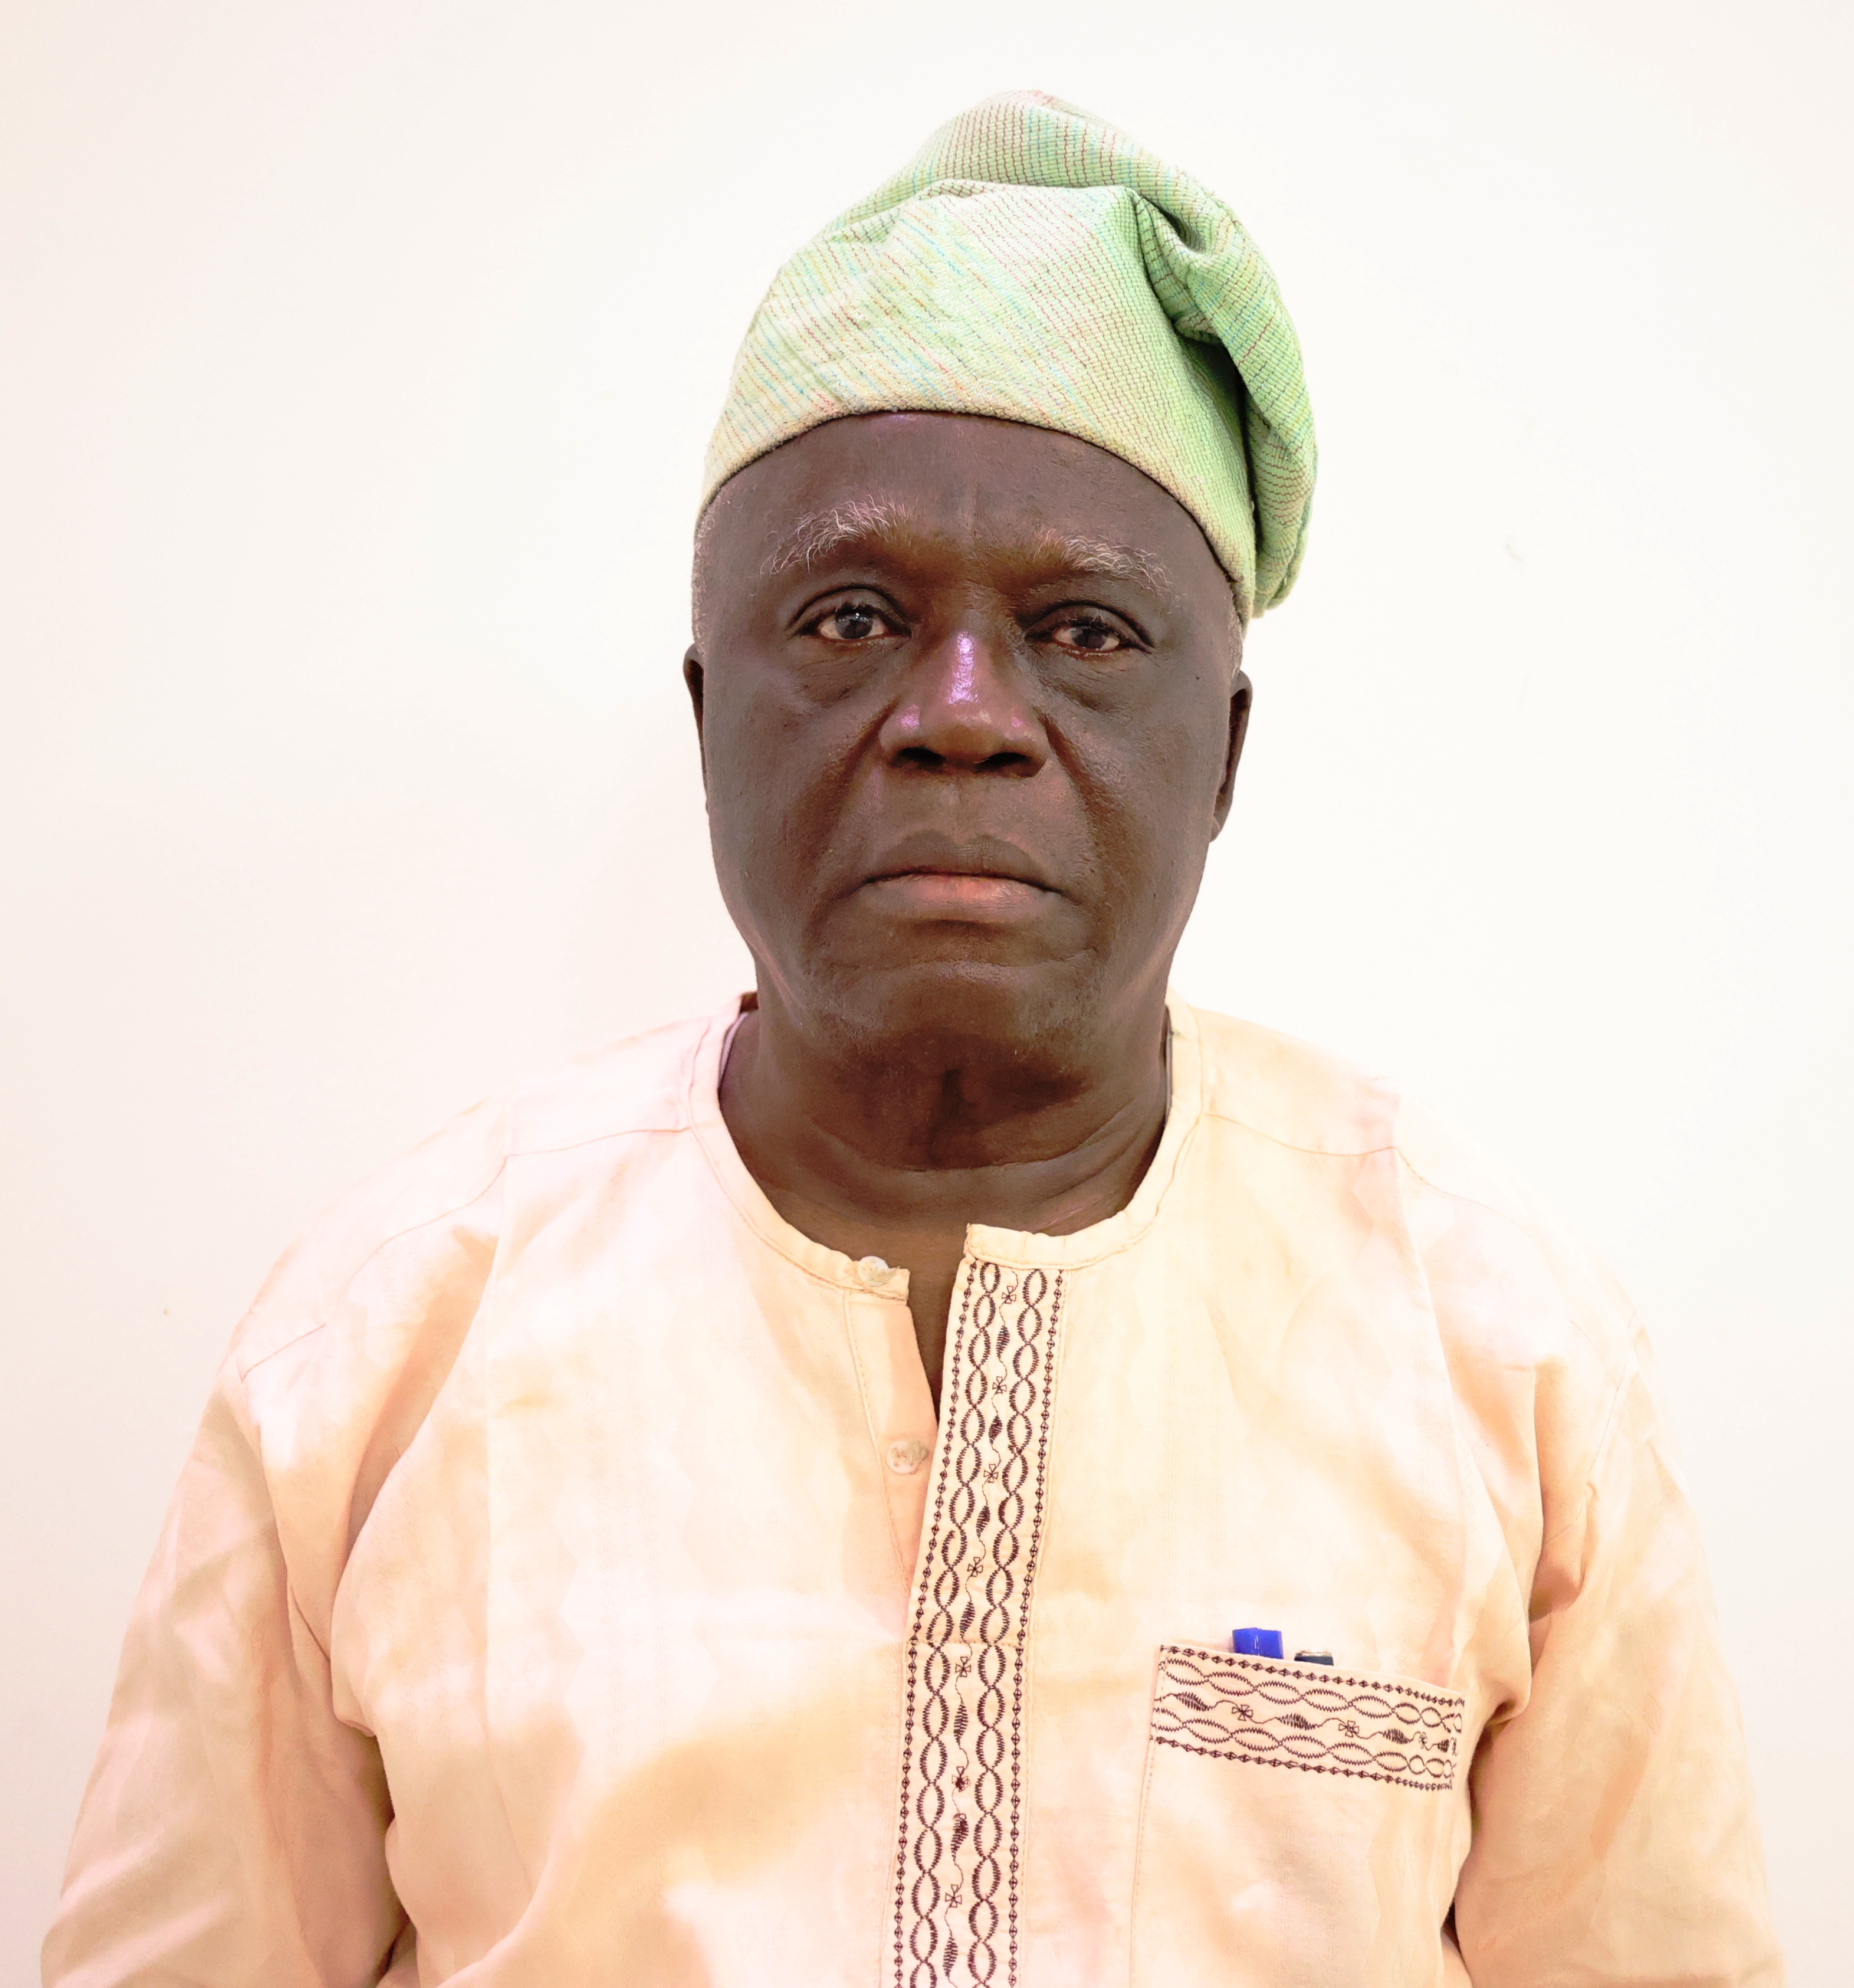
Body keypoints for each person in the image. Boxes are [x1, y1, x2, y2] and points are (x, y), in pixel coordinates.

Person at [44, 91, 1781, 1987]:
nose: (964, 711)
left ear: (1223, 756)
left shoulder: (1500, 1359)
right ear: (710, 719)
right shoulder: (384, 1352)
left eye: (1086, 632)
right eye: (853, 617)